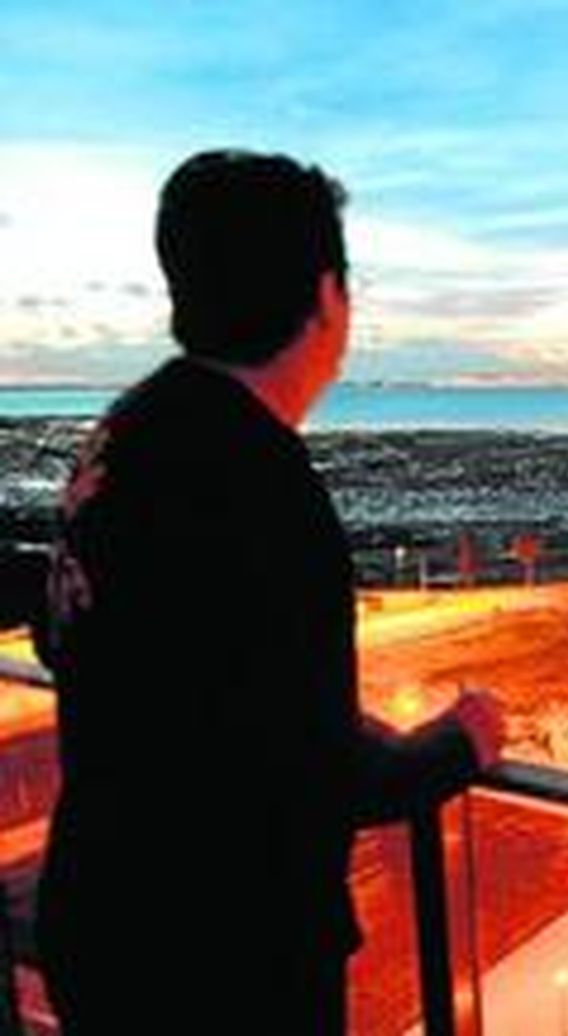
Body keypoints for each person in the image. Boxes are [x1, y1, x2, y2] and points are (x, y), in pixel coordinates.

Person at [31, 149, 506, 1034]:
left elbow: (82, 640)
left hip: (99, 915)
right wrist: (462, 739)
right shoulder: (261, 482)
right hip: (225, 959)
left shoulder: (129, 428)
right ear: (327, 295)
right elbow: (319, 773)